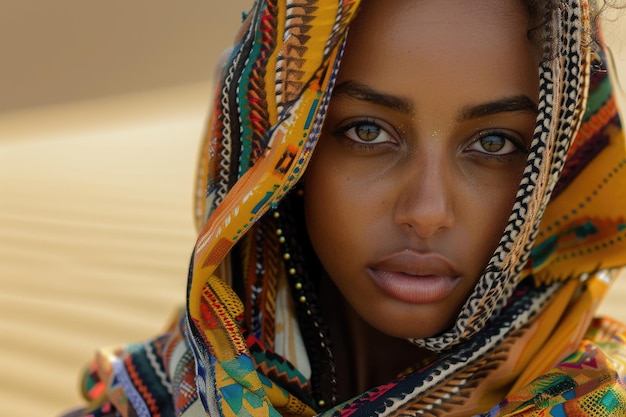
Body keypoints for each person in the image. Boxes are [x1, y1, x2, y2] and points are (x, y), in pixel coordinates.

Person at [68, 0, 626, 415]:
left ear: (557, 165)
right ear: (282, 155)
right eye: (366, 131)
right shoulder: (146, 399)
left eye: (496, 144)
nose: (427, 211)